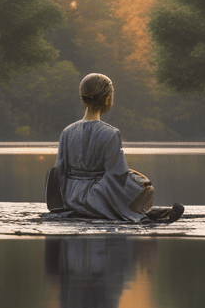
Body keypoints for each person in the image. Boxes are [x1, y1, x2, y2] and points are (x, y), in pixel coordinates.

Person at [47, 73, 184, 223]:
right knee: (143, 185)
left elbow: (58, 171)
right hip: (96, 199)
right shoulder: (111, 133)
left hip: (71, 197)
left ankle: (133, 211)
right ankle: (134, 213)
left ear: (83, 98)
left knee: (130, 178)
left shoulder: (67, 132)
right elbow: (117, 175)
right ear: (107, 99)